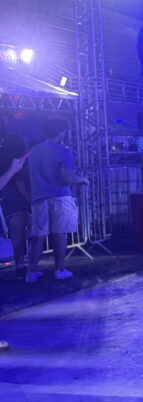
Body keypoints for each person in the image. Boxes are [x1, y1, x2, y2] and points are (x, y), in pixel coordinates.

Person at [25, 118, 88, 283]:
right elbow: (68, 177)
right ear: (62, 132)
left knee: (38, 235)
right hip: (60, 197)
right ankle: (59, 270)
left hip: (39, 198)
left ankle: (31, 272)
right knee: (60, 234)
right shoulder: (63, 152)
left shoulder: (34, 150)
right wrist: (82, 179)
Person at [0, 135, 31, 278]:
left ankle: (21, 266)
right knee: (21, 234)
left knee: (18, 234)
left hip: (9, 199)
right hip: (15, 199)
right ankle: (21, 266)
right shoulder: (18, 161)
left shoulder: (5, 159)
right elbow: (19, 184)